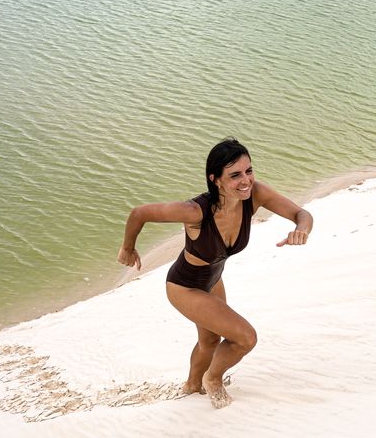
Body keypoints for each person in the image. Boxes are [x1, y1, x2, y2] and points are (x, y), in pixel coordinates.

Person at [117, 138, 313, 408]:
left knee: (209, 340)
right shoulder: (195, 212)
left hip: (212, 279)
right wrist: (128, 249)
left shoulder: (255, 194)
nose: (246, 180)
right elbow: (140, 213)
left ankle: (191, 386)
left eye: (249, 171)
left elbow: (301, 213)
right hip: (184, 286)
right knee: (245, 338)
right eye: (235, 175)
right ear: (216, 179)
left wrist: (301, 229)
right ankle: (213, 378)